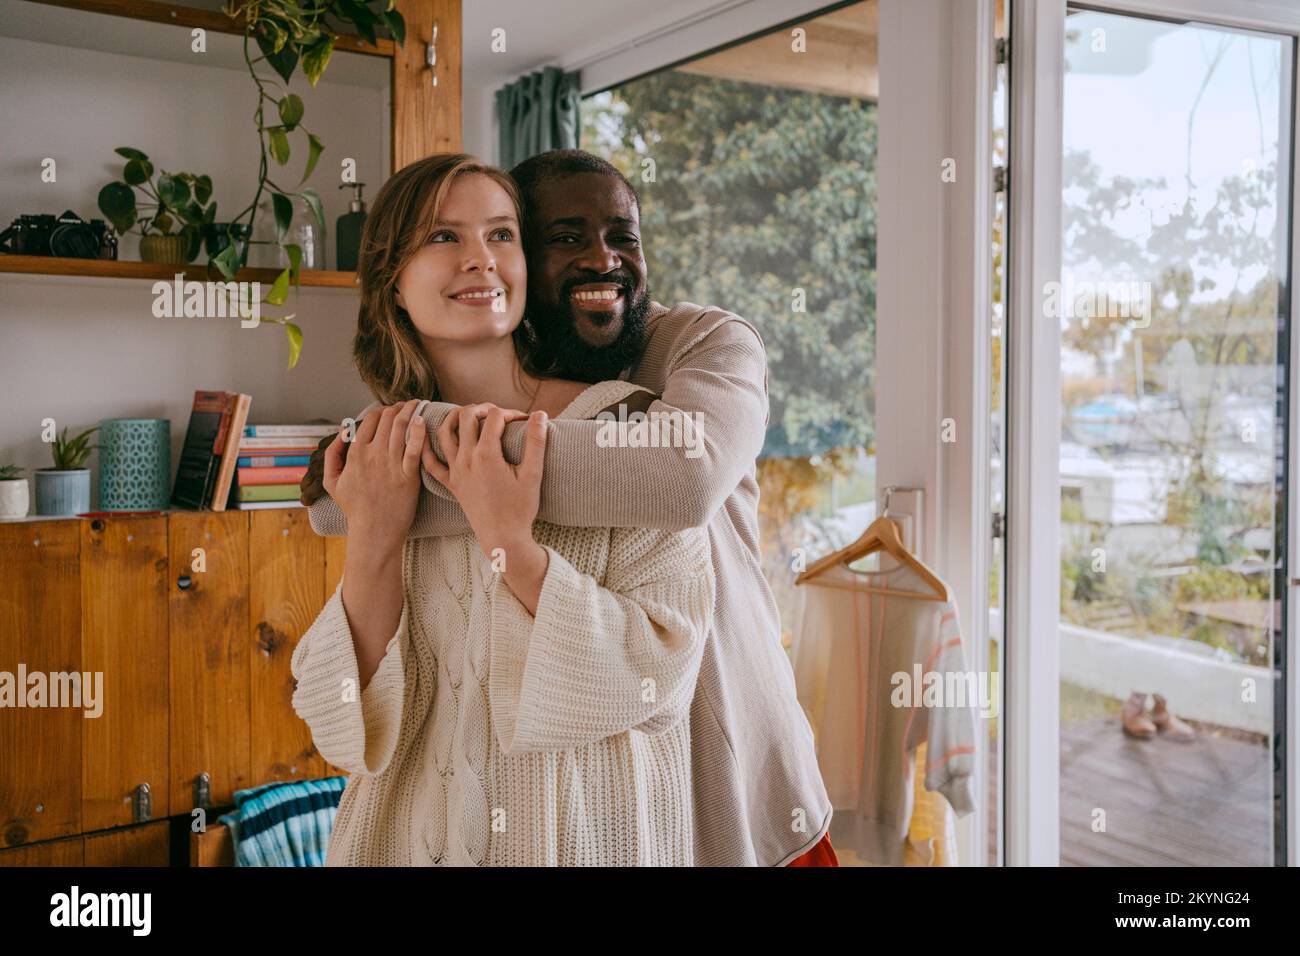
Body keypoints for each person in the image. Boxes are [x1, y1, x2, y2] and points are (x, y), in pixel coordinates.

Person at [304, 149, 837, 868]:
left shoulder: (650, 403)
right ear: (392, 281)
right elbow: (340, 720)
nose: (480, 260)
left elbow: (655, 669)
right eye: (442, 236)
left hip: (713, 802)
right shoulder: (378, 458)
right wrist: (370, 534)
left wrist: (504, 535)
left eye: (499, 235)